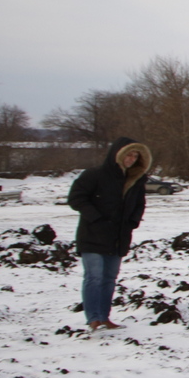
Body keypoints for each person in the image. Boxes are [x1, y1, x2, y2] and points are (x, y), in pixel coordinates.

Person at [66, 137, 153, 330]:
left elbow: (139, 204)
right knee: (94, 276)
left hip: (118, 236)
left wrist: (132, 222)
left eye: (135, 155)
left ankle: (105, 317)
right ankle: (93, 318)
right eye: (128, 154)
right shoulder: (94, 175)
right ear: (117, 154)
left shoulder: (135, 180)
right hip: (93, 235)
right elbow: (76, 198)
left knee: (109, 278)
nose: (131, 158)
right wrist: (96, 218)